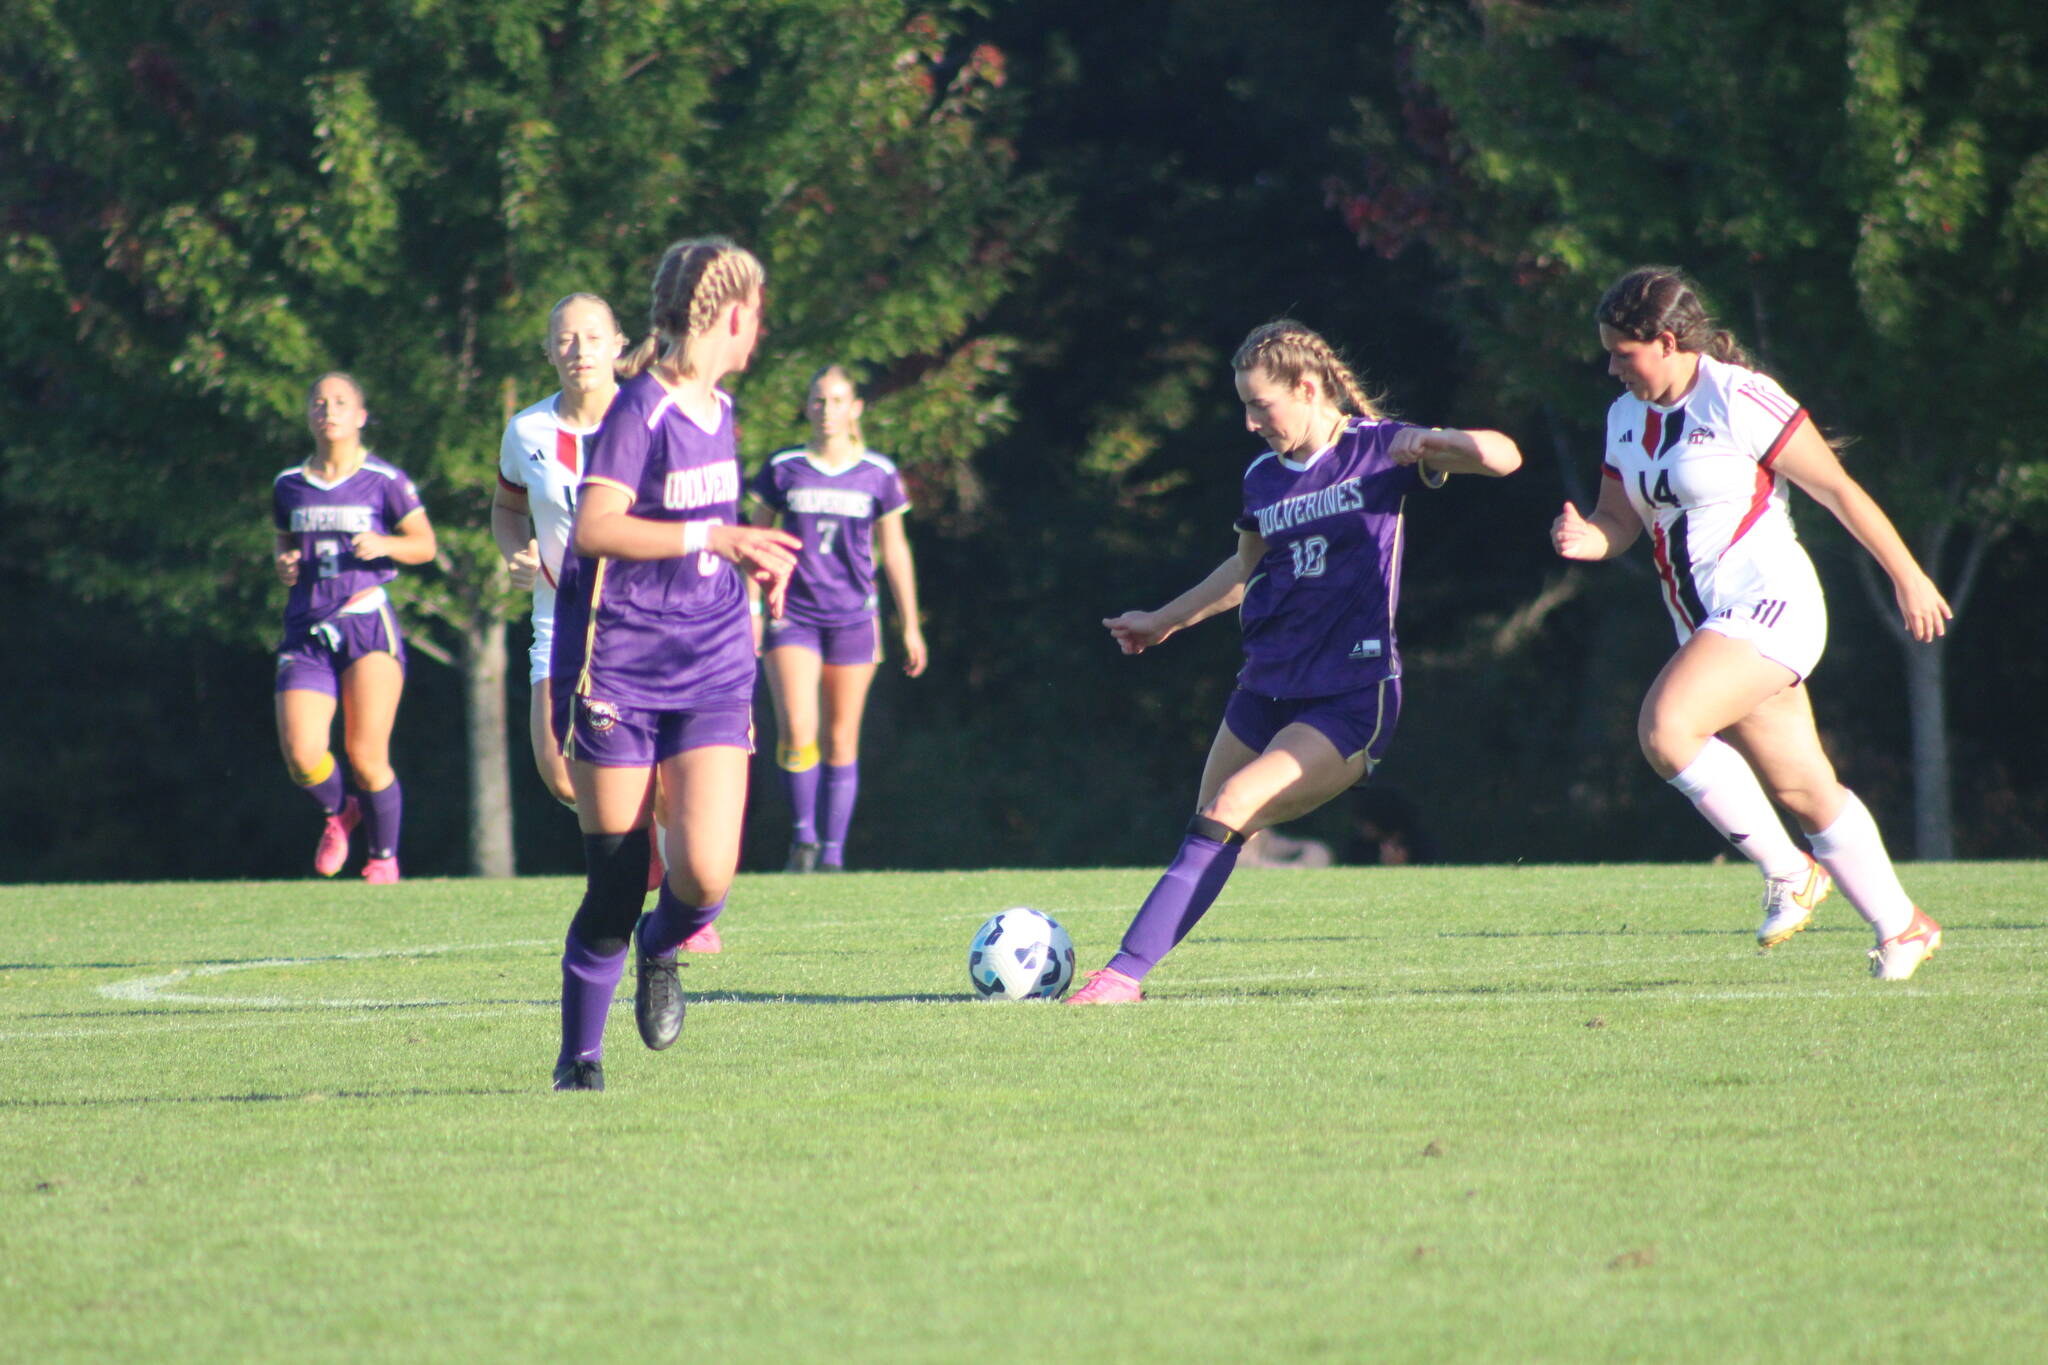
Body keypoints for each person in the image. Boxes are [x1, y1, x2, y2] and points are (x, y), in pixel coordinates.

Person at [1068, 320, 1521, 1004]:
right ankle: (1128, 973)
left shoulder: (1378, 449)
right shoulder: (1261, 478)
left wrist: (1441, 443)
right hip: (1265, 686)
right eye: (1246, 407)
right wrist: (1163, 621)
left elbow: (1505, 457)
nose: (1251, 423)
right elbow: (1245, 569)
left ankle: (1119, 977)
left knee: (1231, 807)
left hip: (1348, 695)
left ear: (1308, 389)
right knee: (1210, 827)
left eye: (1261, 405)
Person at [1551, 266, 1949, 980]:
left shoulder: (1739, 398)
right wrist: (1592, 537)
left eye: (1623, 353)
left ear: (1668, 340)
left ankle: (1789, 873)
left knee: (1666, 728)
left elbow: (1837, 490)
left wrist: (1908, 575)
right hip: (1706, 624)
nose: (1611, 367)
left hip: (1771, 600)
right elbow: (1619, 520)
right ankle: (1903, 926)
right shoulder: (1623, 418)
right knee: (1804, 789)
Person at [547, 237, 799, 1091]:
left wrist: (746, 560)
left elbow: (705, 538)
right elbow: (596, 529)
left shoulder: (719, 409)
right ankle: (580, 1060)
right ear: (731, 315)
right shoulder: (638, 410)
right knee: (616, 889)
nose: (759, 331)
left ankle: (664, 950)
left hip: (715, 662)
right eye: (757, 314)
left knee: (706, 874)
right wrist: (715, 535)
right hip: (620, 667)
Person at [749, 365, 928, 872]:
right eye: (818, 401)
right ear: (807, 408)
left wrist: (910, 624)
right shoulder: (783, 467)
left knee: (841, 738)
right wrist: (753, 609)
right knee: (797, 729)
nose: (827, 410)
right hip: (794, 615)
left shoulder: (878, 472)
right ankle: (803, 840)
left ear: (855, 409)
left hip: (854, 618)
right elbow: (753, 544)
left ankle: (833, 855)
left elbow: (894, 551)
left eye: (837, 400)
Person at [273, 373, 438, 883]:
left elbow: (424, 545)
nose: (330, 410)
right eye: (320, 402)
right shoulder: (289, 485)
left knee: (366, 756)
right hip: (306, 628)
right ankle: (338, 813)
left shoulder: (384, 480)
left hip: (366, 622)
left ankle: (383, 859)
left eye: (341, 402)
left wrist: (386, 545)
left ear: (361, 416)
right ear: (309, 415)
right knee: (303, 756)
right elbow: (283, 541)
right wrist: (283, 563)